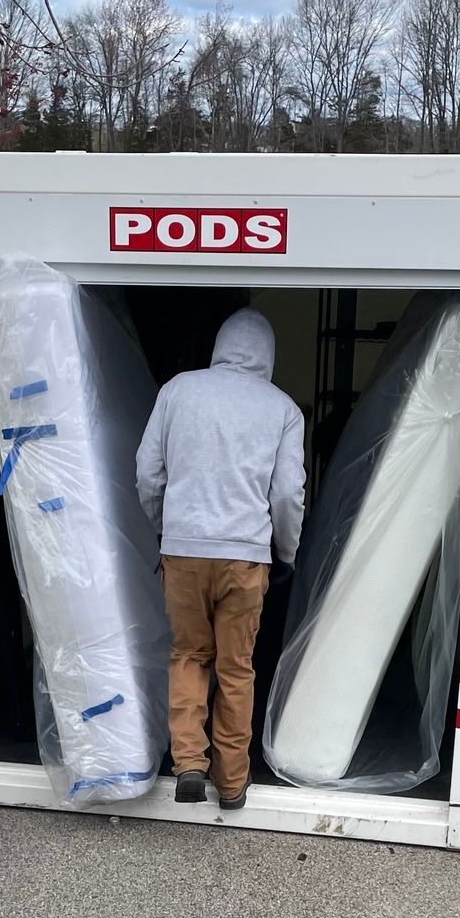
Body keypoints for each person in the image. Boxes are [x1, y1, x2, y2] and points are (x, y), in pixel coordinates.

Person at [135, 309, 305, 810]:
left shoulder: (177, 391)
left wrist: (165, 527)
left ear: (219, 347)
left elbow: (147, 473)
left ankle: (189, 762)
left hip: (183, 551)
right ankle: (231, 783)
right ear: (268, 355)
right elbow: (288, 493)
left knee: (189, 655)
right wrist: (286, 551)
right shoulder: (282, 408)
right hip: (245, 558)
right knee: (236, 668)